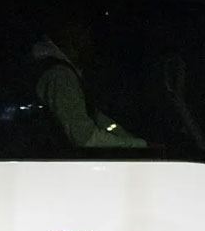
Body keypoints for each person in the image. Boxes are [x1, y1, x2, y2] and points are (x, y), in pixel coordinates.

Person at [32, 21, 147, 150]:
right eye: (83, 35)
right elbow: (85, 138)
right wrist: (137, 146)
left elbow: (98, 119)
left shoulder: (68, 73)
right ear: (70, 37)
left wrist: (132, 141)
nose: (89, 42)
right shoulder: (60, 76)